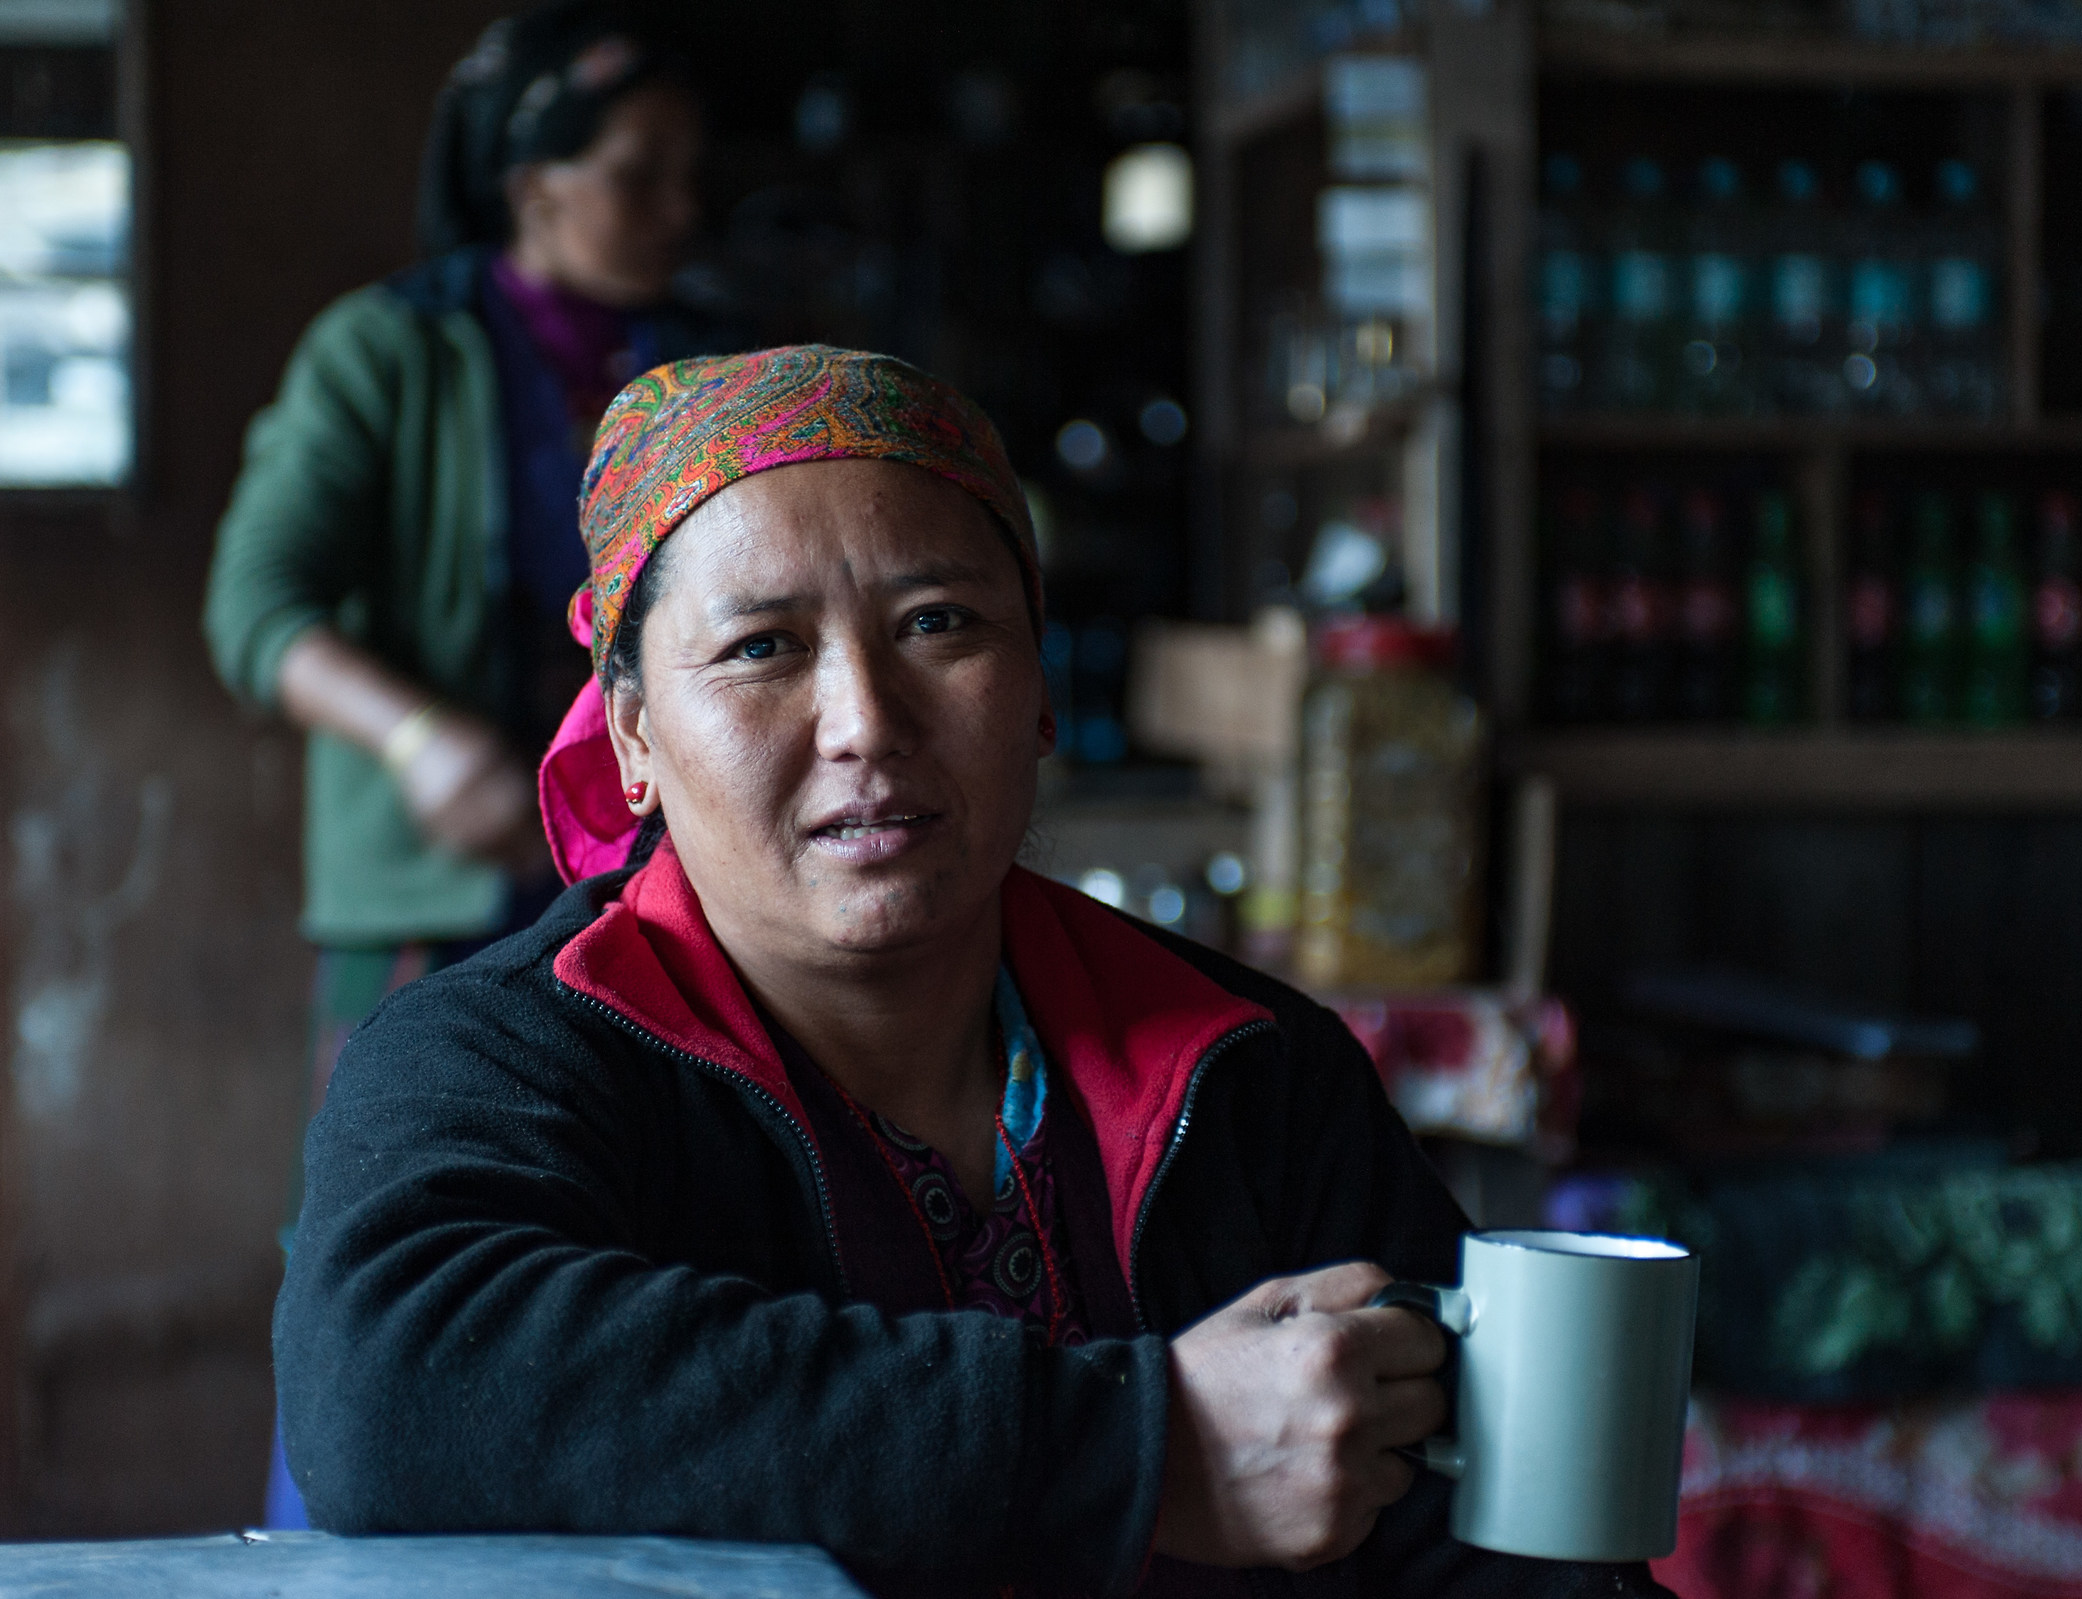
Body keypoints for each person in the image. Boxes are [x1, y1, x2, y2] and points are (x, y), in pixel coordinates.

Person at [273, 347, 1670, 1596]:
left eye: (940, 624)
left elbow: (1478, 1543)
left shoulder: (1250, 1071)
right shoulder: (506, 1058)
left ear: (1046, 690)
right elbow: (392, 1393)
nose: (864, 723)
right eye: (762, 650)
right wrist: (1148, 1447)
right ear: (632, 737)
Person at [201, 3, 741, 1528]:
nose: (677, 211)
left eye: (685, 177)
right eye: (641, 175)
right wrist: (422, 737)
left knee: (645, 1244)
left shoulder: (689, 372)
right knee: (392, 1262)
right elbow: (258, 609)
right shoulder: (387, 353)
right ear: (533, 181)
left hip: (658, 890)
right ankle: (340, 1546)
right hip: (440, 896)